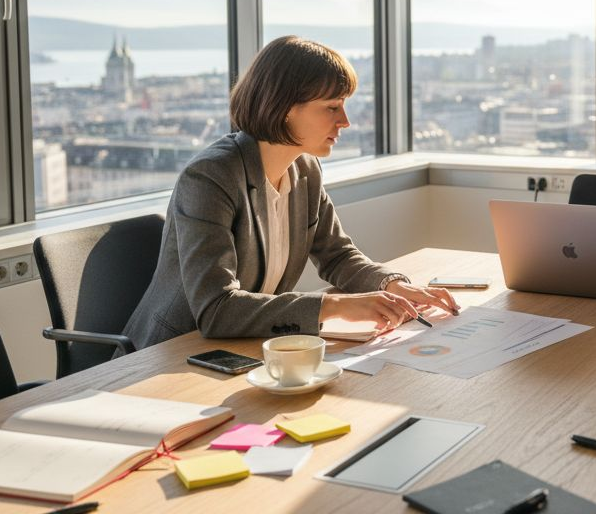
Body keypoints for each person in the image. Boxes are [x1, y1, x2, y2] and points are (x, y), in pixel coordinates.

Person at [124, 36, 459, 350]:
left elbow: (338, 256)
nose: (345, 121)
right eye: (332, 107)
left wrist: (392, 285)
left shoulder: (305, 169)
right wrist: (335, 305)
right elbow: (217, 309)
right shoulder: (210, 177)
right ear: (285, 107)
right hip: (172, 354)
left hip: (245, 347)